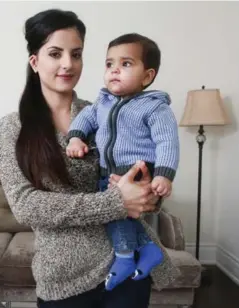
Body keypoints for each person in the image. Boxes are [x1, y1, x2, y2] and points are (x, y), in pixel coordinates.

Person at [0, 9, 180, 308]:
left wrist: (150, 191)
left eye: (76, 54)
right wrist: (117, 202)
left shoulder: (107, 113)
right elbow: (26, 207)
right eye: (55, 53)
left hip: (128, 264)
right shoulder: (13, 127)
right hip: (64, 277)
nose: (68, 64)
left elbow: (145, 177)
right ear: (34, 61)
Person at [65, 33, 180, 290]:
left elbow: (167, 141)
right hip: (109, 170)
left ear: (147, 76)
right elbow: (85, 119)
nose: (114, 70)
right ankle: (148, 249)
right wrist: (75, 138)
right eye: (109, 64)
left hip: (138, 170)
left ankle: (125, 258)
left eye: (126, 64)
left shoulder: (154, 107)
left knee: (118, 213)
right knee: (120, 214)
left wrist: (163, 175)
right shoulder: (103, 102)